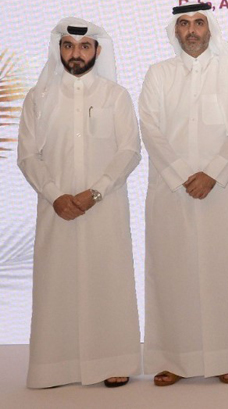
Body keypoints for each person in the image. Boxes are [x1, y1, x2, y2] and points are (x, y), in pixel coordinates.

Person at [138, 3, 228, 386]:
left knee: (224, 271)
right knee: (172, 272)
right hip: (170, 190)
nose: (192, 30)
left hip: (222, 191)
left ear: (210, 28)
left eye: (198, 23)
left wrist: (212, 173)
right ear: (175, 31)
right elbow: (150, 127)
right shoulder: (158, 74)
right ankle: (173, 358)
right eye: (184, 24)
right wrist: (182, 175)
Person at [17, 19, 141, 389]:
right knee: (57, 284)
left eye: (84, 47)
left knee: (108, 281)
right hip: (56, 209)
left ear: (97, 51)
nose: (76, 53)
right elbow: (27, 155)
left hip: (105, 207)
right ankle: (55, 367)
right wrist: (55, 195)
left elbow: (130, 151)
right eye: (68, 46)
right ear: (59, 50)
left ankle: (114, 361)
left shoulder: (115, 95)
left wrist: (96, 192)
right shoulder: (38, 98)